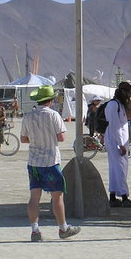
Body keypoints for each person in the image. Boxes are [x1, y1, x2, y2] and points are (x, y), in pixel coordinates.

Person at [20, 85, 80, 242]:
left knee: (34, 197)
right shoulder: (54, 115)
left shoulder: (28, 116)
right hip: (51, 161)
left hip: (34, 161)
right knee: (57, 197)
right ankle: (63, 228)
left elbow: (23, 139)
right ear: (51, 100)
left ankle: (35, 230)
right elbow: (61, 137)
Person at [105, 82, 131, 208]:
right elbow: (114, 126)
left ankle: (113, 196)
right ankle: (124, 197)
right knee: (120, 169)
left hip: (119, 140)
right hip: (116, 141)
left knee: (115, 169)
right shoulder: (113, 105)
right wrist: (121, 144)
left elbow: (129, 117)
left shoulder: (120, 105)